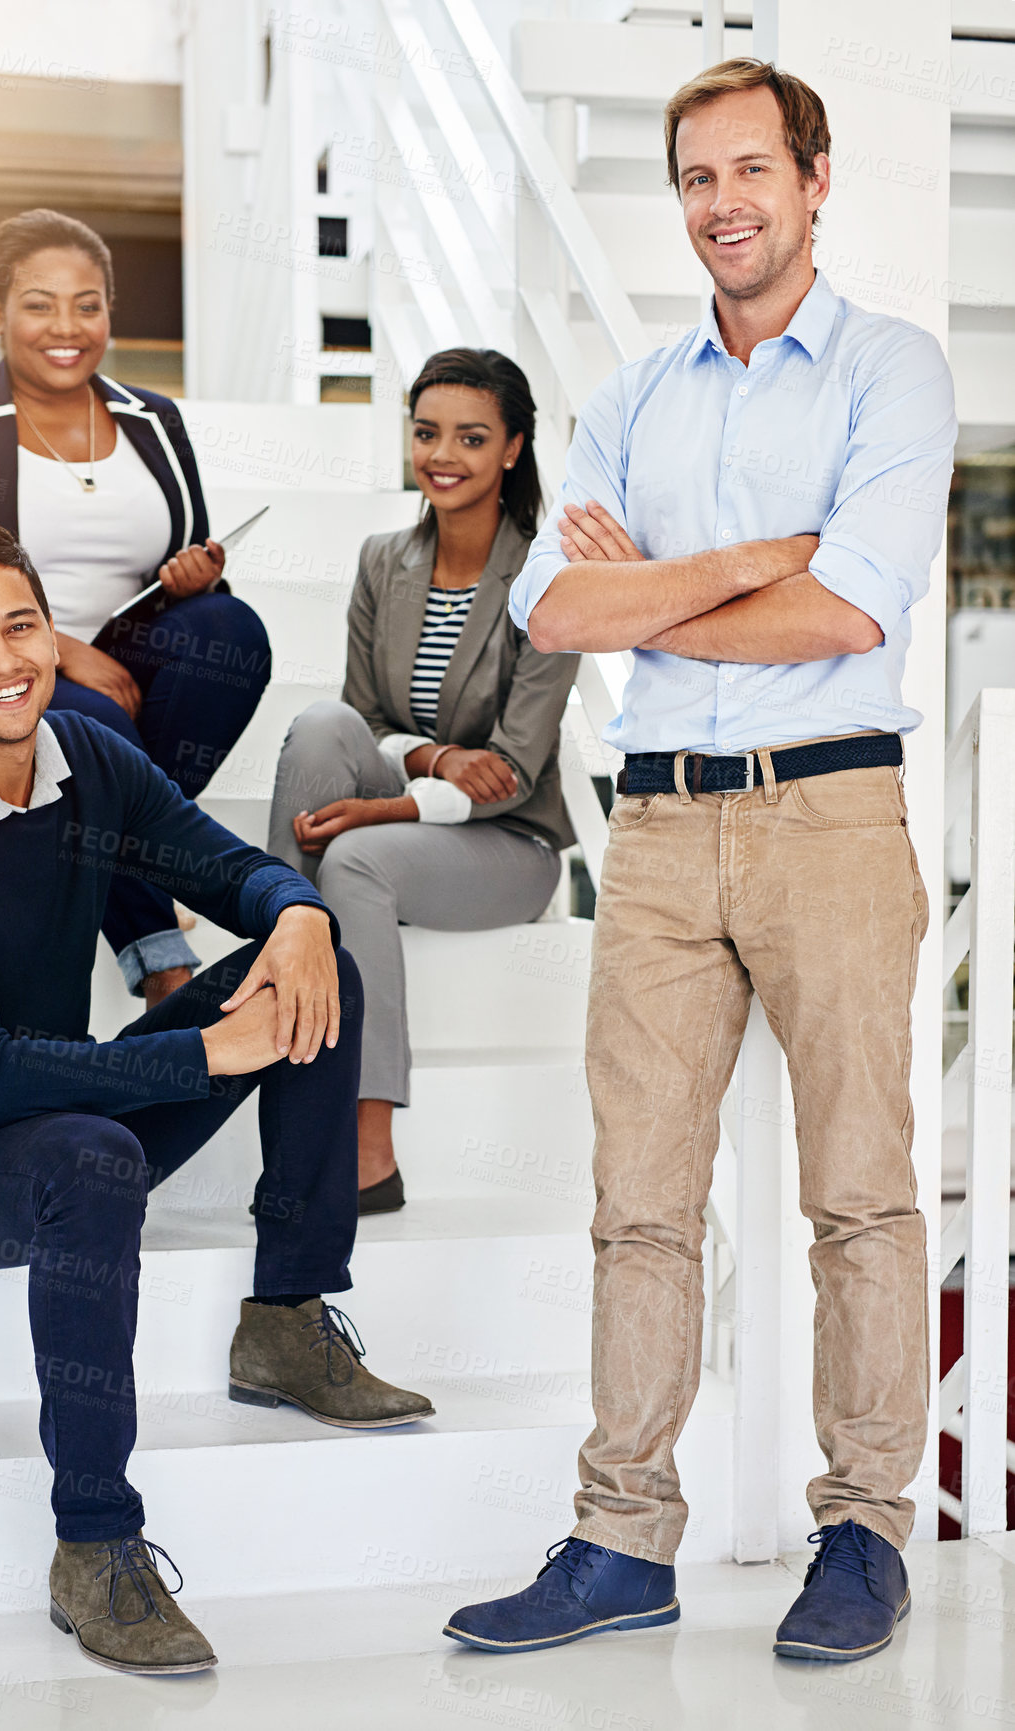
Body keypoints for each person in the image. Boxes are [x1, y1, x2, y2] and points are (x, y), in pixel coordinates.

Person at [444, 59, 956, 1663]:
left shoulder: (892, 370)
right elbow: (552, 607)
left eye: (749, 170)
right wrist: (743, 559)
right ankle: (619, 1541)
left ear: (813, 180)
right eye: (692, 178)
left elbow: (850, 608)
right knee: (639, 1204)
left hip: (827, 813)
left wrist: (656, 585)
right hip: (657, 828)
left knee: (859, 1192)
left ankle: (861, 1528)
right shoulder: (634, 396)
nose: (719, 203)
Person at [0, 515, 433, 1677]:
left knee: (315, 969)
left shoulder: (86, 753)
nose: (4, 659)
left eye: (21, 625)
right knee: (90, 1157)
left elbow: (226, 868)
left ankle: (286, 1318)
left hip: (59, 1106)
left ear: (52, 634)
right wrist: (202, 1059)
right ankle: (95, 1546)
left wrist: (302, 912)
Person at [0, 207, 272, 1008]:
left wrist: (193, 574)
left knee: (230, 632)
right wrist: (56, 646)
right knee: (93, 730)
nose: (67, 326)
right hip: (0, 664)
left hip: (126, 657)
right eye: (40, 303)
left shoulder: (153, 418)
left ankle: (92, 848)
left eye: (87, 304)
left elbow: (181, 549)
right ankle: (160, 956)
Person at [267, 349, 579, 1212]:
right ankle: (278, 959)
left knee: (356, 861)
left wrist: (389, 805)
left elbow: (513, 771)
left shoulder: (547, 577)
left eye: (471, 437)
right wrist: (434, 760)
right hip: (413, 801)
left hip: (506, 845)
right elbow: (361, 718)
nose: (443, 453)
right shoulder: (382, 560)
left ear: (512, 447)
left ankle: (368, 1149)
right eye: (426, 432)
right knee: (318, 725)